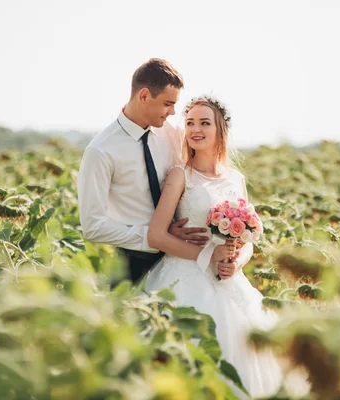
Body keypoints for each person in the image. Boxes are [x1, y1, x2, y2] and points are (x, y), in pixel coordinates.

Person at [145, 96, 285, 398]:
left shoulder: (236, 179)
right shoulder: (180, 175)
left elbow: (248, 240)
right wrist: (207, 254)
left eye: (204, 122)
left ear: (220, 129)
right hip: (184, 276)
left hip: (229, 281)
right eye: (190, 123)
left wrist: (236, 263)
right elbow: (156, 235)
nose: (196, 129)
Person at [77, 58, 247, 284]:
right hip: (133, 262)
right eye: (168, 103)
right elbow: (93, 226)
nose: (173, 111)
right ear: (144, 96)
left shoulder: (174, 135)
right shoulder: (101, 151)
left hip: (190, 262)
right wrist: (155, 236)